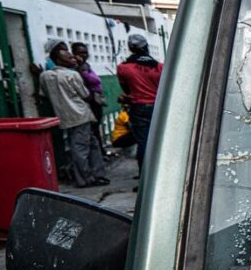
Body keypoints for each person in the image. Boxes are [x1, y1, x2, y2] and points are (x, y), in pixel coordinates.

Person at [39, 49, 110, 187]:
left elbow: (44, 94)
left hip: (64, 116)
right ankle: (85, 179)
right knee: (82, 148)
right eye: (69, 57)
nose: (74, 58)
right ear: (59, 60)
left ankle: (96, 175)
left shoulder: (45, 76)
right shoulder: (72, 74)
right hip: (80, 114)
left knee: (87, 144)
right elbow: (85, 95)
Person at [116, 34, 163, 175]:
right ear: (146, 47)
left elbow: (126, 89)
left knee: (144, 143)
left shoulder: (124, 68)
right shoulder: (159, 67)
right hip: (160, 107)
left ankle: (145, 179)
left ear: (130, 48)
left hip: (139, 108)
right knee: (161, 140)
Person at [71, 42, 107, 155]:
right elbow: (94, 81)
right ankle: (99, 153)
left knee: (95, 128)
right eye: (80, 52)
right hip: (89, 102)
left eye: (85, 52)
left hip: (95, 101)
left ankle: (100, 152)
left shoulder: (86, 66)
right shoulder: (78, 68)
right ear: (74, 54)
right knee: (93, 129)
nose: (84, 55)